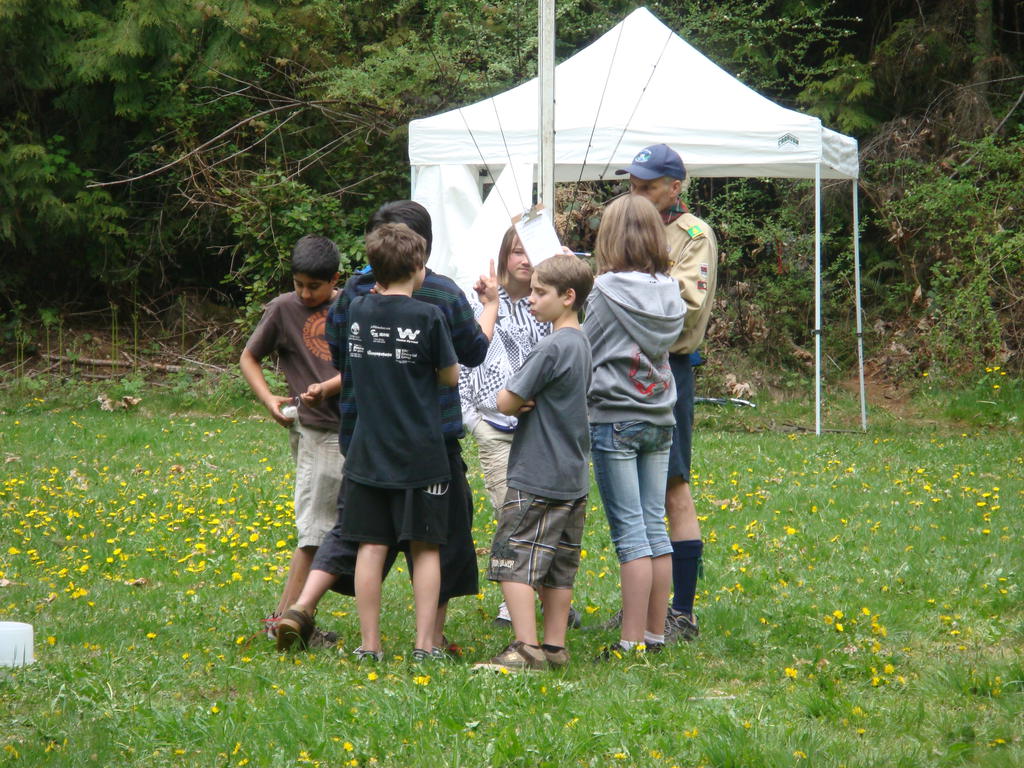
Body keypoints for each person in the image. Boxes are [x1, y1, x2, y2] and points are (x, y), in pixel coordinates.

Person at [275, 201, 490, 655]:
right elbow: (464, 361)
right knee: (434, 542)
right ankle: (428, 641)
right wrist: (489, 307)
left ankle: (345, 631)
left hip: (365, 438)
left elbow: (339, 355)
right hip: (427, 445)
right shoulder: (440, 300)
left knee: (361, 538)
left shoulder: (353, 299)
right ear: (420, 255)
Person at [335, 222, 459, 660]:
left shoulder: (357, 309)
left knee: (371, 546)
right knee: (425, 548)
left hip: (368, 450)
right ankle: (424, 645)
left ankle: (370, 646)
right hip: (420, 454)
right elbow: (449, 376)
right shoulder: (428, 316)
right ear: (418, 267)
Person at [616, 143, 719, 641]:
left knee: (672, 487)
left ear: (675, 187)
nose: (637, 192)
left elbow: (684, 307)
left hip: (666, 368)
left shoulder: (694, 236)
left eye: (648, 186)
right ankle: (642, 611)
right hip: (622, 367)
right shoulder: (629, 226)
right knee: (633, 494)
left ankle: (682, 610)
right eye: (632, 184)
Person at [475, 254, 594, 671]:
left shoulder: (550, 346)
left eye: (541, 293)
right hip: (573, 475)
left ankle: (525, 648)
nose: (531, 298)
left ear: (568, 297)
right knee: (560, 564)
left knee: (511, 558)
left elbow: (506, 400)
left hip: (536, 473)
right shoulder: (582, 343)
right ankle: (554, 647)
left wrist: (512, 398)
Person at [583, 195, 685, 658]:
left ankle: (630, 643)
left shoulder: (604, 291)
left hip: (615, 417)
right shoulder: (670, 289)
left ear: (609, 237)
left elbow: (585, 349)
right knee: (654, 527)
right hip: (660, 416)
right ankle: (655, 634)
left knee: (630, 535)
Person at [239, 234, 344, 647]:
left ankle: (292, 618)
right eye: (298, 284)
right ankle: (286, 620)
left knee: (334, 529)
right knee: (315, 532)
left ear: (335, 279)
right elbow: (249, 356)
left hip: (355, 429)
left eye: (314, 286)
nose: (304, 293)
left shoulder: (352, 305)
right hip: (317, 430)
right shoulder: (283, 309)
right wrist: (268, 399)